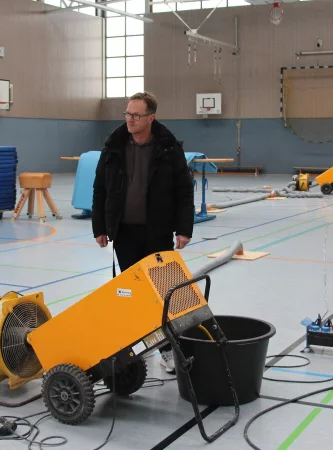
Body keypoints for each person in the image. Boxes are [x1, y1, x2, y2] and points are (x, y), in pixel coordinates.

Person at [92, 91, 194, 373]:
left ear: (151, 117)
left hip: (158, 233)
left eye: (136, 115)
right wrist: (100, 226)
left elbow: (184, 191)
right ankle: (136, 345)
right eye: (127, 114)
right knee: (132, 294)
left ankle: (166, 349)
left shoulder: (169, 148)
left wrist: (184, 229)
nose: (130, 119)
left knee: (163, 294)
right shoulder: (113, 147)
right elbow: (100, 188)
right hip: (124, 234)